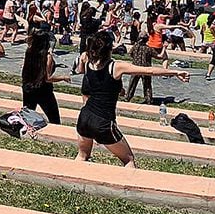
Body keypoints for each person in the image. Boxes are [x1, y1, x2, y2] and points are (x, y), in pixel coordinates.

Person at [76, 31, 189, 167]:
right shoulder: (115, 66)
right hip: (103, 121)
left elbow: (93, 87)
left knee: (82, 156)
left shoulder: (88, 62)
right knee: (128, 160)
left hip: (84, 116)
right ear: (110, 48)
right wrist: (175, 72)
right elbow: (149, 71)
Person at [21, 30, 67, 124]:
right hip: (43, 90)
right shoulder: (47, 56)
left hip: (28, 87)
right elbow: (48, 78)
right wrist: (63, 77)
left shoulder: (29, 52)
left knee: (27, 115)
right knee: (54, 118)